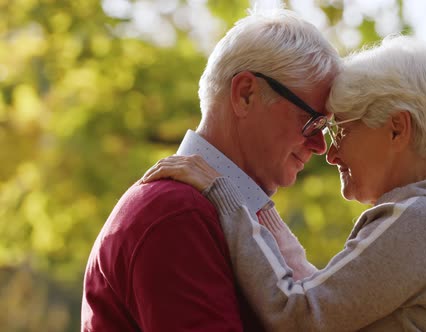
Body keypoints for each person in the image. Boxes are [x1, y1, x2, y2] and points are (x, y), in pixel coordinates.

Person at [143, 35, 426, 331]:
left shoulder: (421, 220)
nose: (329, 153)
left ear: (396, 129)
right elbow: (327, 299)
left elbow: (299, 316)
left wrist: (225, 197)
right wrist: (264, 217)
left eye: (340, 131)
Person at [81, 7, 341, 331]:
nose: (320, 146)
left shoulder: (214, 213)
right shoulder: (177, 215)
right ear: (245, 94)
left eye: (326, 128)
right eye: (312, 121)